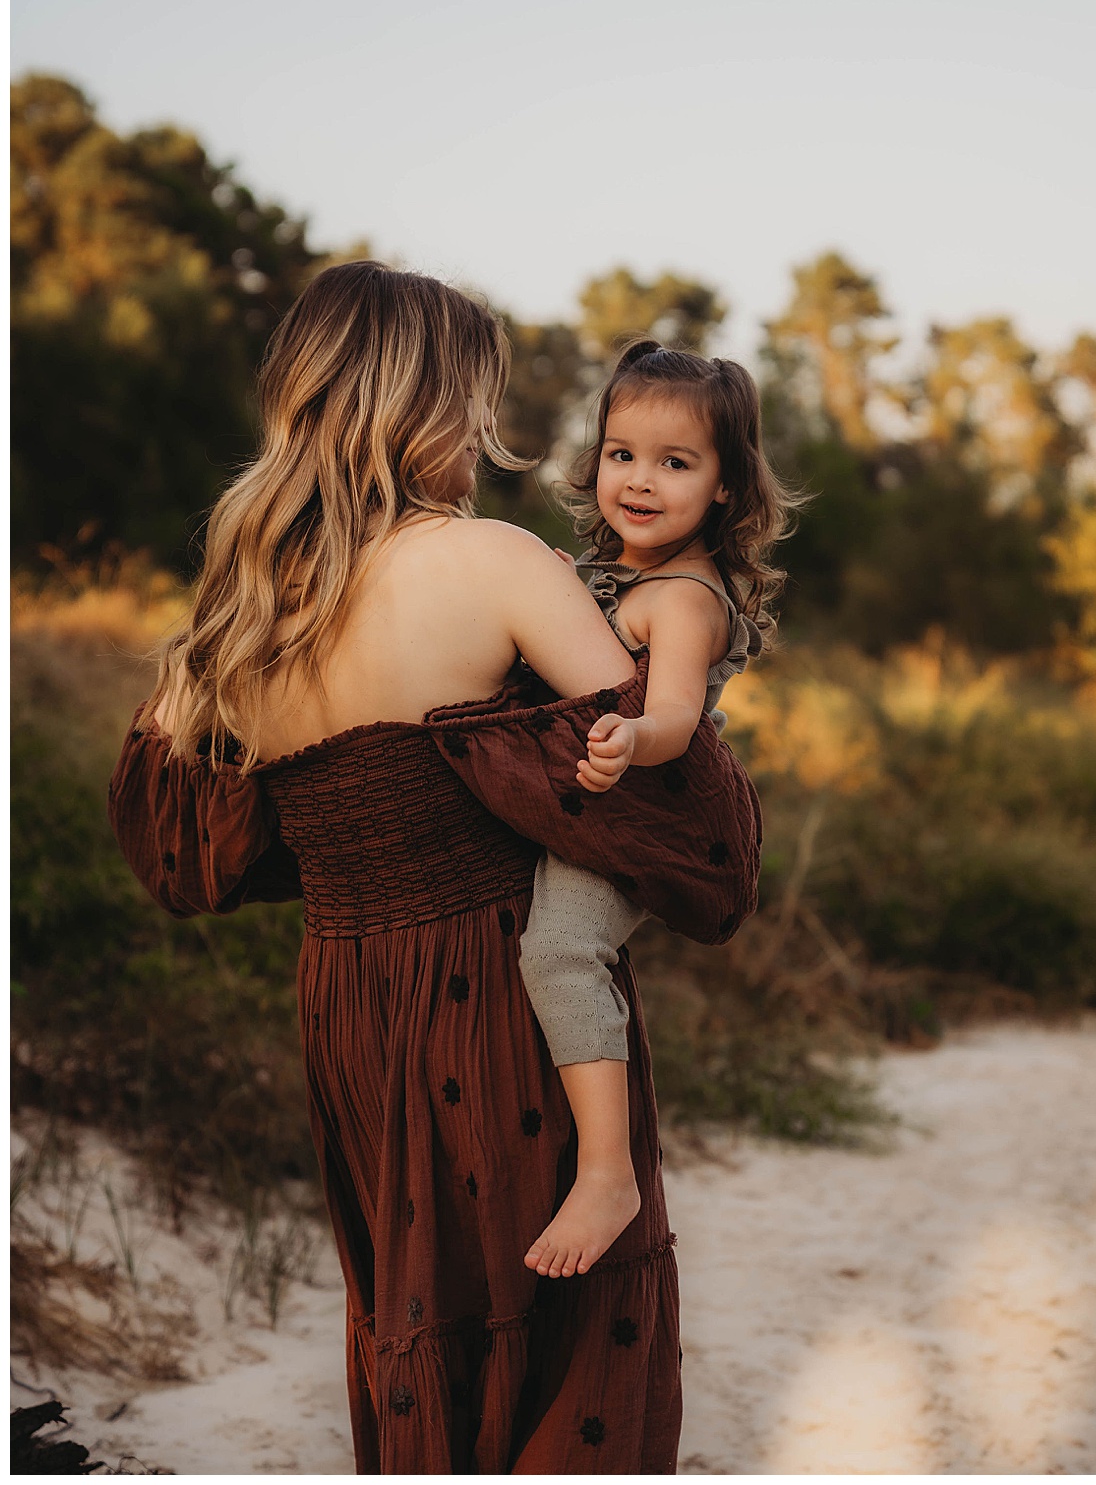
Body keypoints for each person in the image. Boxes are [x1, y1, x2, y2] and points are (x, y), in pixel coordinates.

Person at [107, 261, 763, 1474]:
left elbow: (179, 848)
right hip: (494, 989)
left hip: (350, 999)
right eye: (480, 397)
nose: (489, 431)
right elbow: (672, 800)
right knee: (560, 1324)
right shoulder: (493, 561)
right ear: (427, 404)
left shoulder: (244, 605)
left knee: (418, 1315)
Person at [520, 340, 794, 1283]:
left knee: (560, 949)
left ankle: (608, 1174)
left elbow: (675, 713)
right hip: (592, 803)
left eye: (676, 464)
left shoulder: (682, 598)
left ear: (725, 487)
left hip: (638, 814)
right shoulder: (619, 574)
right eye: (622, 454)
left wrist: (632, 738)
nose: (640, 480)